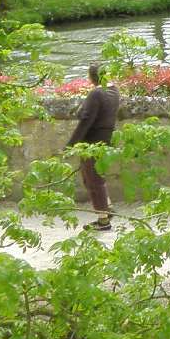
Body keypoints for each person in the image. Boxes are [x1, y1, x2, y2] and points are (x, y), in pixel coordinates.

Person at [67, 62, 120, 231]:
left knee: (93, 179)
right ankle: (108, 207)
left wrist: (71, 144)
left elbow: (86, 121)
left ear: (91, 77)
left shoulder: (96, 94)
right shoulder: (114, 91)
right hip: (106, 139)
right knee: (92, 176)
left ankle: (103, 220)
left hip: (92, 142)